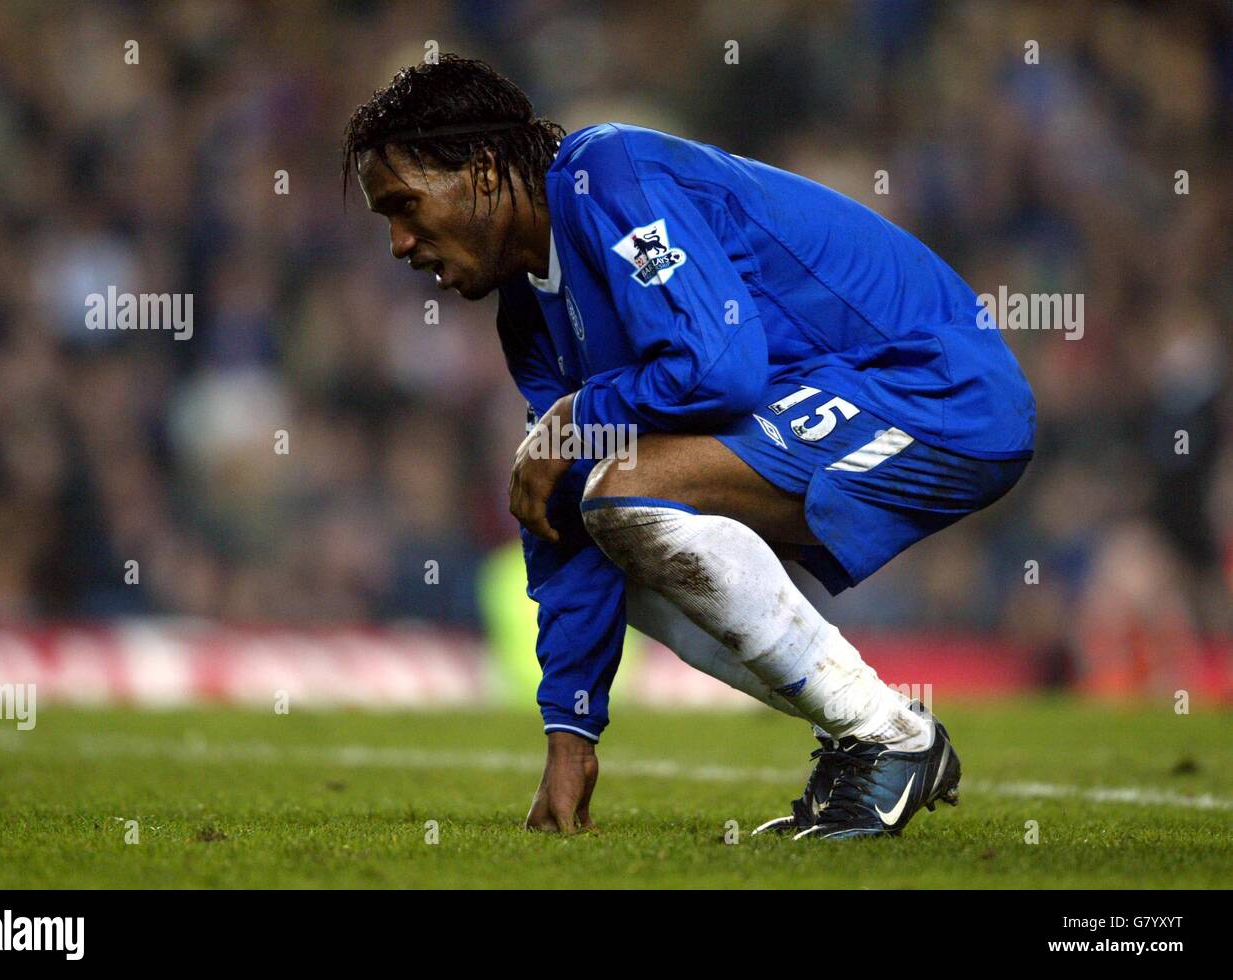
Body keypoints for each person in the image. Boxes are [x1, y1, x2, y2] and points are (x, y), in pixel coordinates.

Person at [342, 55, 1035, 839]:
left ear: (486, 167)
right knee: (604, 509)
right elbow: (562, 514)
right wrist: (572, 731)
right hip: (854, 402)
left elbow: (722, 367)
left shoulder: (605, 175)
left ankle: (887, 737)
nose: (399, 242)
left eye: (404, 205)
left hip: (937, 389)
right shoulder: (528, 318)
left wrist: (573, 417)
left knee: (626, 493)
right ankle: (874, 736)